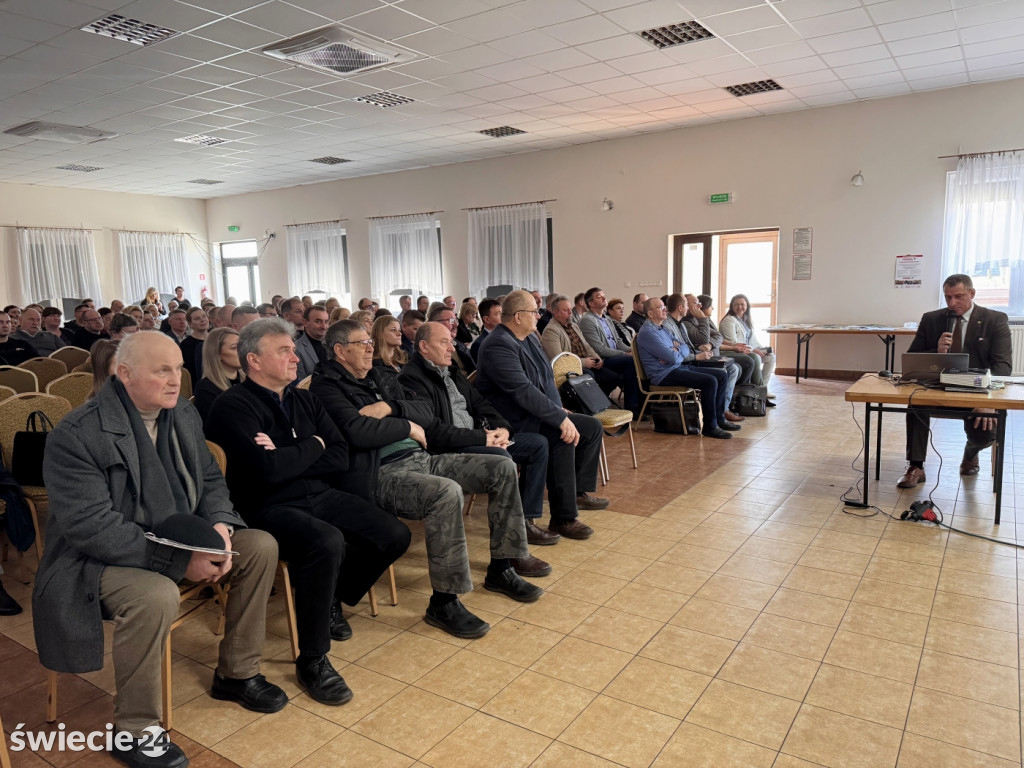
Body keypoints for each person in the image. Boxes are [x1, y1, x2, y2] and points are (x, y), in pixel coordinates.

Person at [36, 332, 285, 768]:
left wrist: (221, 526)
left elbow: (210, 481)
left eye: (178, 369)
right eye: (162, 370)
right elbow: (91, 527)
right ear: (124, 373)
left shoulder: (183, 413)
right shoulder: (77, 434)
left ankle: (237, 673)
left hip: (182, 533)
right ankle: (134, 730)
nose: (176, 381)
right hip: (96, 559)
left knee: (259, 545)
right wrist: (178, 560)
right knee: (155, 594)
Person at [206, 319, 410, 706]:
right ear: (254, 360)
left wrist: (291, 452)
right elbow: (266, 473)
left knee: (394, 535)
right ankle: (313, 659)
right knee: (327, 541)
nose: (295, 356)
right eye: (283, 350)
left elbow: (339, 455)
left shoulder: (306, 399)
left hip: (318, 493)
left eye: (293, 349)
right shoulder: (232, 405)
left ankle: (331, 595)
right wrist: (312, 445)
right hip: (266, 505)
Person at [310, 319, 541, 639]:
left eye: (369, 342)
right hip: (380, 473)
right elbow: (357, 433)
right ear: (339, 351)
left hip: (421, 458)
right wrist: (406, 427)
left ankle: (502, 568)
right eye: (361, 343)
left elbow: (423, 411)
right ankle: (444, 602)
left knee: (501, 468)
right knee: (445, 492)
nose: (369, 347)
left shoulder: (379, 374)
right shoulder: (327, 385)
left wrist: (389, 407)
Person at [400, 322, 558, 552]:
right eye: (444, 342)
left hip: (478, 438)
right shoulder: (411, 379)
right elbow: (434, 432)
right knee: (501, 458)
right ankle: (509, 545)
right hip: (449, 450)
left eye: (451, 342)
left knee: (537, 444)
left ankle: (525, 520)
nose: (451, 348)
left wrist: (503, 429)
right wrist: (481, 439)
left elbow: (482, 404)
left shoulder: (451, 371)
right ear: (423, 346)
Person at [475, 290, 608, 538]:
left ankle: (576, 493)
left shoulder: (528, 338)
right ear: (517, 316)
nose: (538, 315)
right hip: (511, 421)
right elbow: (522, 390)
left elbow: (546, 379)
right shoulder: (498, 345)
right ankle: (563, 518)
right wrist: (558, 419)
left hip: (533, 413)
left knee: (590, 427)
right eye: (534, 311)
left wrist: (558, 409)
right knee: (560, 435)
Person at [897, 273, 1013, 487]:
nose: (952, 303)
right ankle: (916, 466)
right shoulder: (932, 319)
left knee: (985, 433)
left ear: (972, 293)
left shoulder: (995, 320)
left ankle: (971, 453)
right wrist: (937, 351)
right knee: (915, 403)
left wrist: (987, 402)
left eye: (958, 296)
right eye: (947, 297)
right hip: (937, 389)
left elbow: (1003, 368)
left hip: (977, 393)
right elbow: (912, 358)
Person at [635, 298, 737, 439]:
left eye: (664, 306)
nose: (665, 309)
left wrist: (676, 349)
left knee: (721, 375)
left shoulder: (662, 328)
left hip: (676, 368)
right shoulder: (648, 332)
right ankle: (710, 426)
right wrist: (675, 351)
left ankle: (719, 419)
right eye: (660, 307)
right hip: (663, 374)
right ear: (651, 314)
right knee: (710, 381)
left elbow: (683, 347)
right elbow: (674, 357)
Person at [677, 293, 744, 424]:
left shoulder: (697, 319)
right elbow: (702, 338)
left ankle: (724, 408)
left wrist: (710, 344)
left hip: (709, 355)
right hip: (697, 360)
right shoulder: (686, 322)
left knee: (735, 368)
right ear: (684, 305)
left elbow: (717, 335)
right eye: (695, 303)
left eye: (700, 303)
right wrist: (703, 319)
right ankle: (718, 414)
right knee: (723, 373)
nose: (699, 305)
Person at [541, 295, 623, 400]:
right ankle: (591, 405)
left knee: (614, 378)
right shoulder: (551, 330)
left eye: (570, 309)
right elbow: (559, 360)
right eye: (566, 310)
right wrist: (584, 362)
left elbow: (586, 345)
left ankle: (598, 401)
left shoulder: (573, 326)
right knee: (589, 375)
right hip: (571, 369)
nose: (570, 312)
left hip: (586, 363)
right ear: (556, 313)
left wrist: (597, 358)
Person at [578, 287, 640, 417]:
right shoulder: (587, 320)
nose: (604, 298)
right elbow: (599, 349)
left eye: (604, 295)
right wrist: (625, 354)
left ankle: (640, 406)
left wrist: (632, 350)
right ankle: (632, 407)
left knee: (638, 358)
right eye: (599, 297)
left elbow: (618, 342)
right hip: (602, 359)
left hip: (614, 357)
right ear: (591, 303)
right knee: (630, 361)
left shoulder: (607, 319)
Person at [720, 293, 776, 398]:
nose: (739, 307)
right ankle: (758, 391)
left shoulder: (747, 320)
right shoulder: (729, 320)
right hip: (734, 352)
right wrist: (754, 350)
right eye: (736, 304)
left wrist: (762, 349)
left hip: (747, 350)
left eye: (742, 304)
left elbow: (753, 340)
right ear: (732, 306)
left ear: (747, 306)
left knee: (771, 357)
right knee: (756, 357)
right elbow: (734, 342)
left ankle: (763, 388)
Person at [697, 294, 756, 389]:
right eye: (711, 306)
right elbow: (712, 342)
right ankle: (742, 394)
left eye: (742, 304)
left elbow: (718, 338)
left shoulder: (708, 320)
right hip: (713, 354)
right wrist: (733, 347)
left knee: (750, 359)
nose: (713, 308)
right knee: (748, 360)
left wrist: (733, 344)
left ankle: (751, 392)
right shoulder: (701, 322)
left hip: (717, 352)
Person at [193, 328, 243, 424]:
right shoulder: (205, 388)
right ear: (217, 353)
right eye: (234, 348)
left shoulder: (250, 379)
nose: (242, 351)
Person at [428, 306, 475, 376]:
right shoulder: (430, 351)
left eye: (456, 320)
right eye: (451, 321)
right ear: (436, 323)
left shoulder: (458, 344)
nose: (456, 324)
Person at [295, 305, 329, 381]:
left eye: (326, 322)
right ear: (305, 322)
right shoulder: (297, 349)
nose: (324, 327)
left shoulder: (334, 344)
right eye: (318, 321)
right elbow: (301, 383)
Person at [180, 306, 208, 384]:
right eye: (197, 318)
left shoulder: (216, 338)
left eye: (204, 316)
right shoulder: (186, 344)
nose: (203, 320)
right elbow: (189, 371)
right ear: (190, 324)